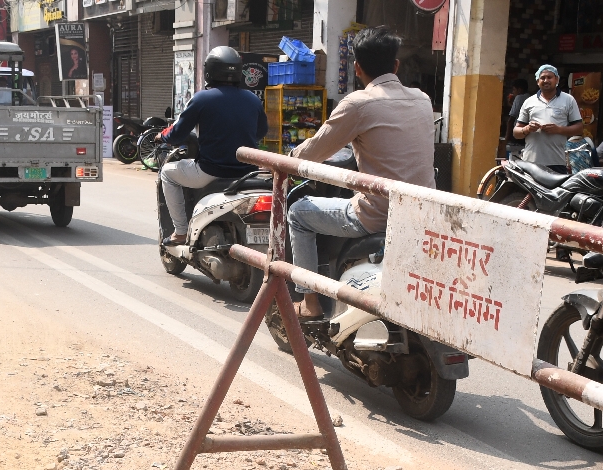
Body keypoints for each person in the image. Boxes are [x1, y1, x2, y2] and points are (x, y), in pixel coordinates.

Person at [287, 26, 434, 320]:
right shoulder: (422, 99)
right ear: (395, 65)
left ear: (356, 67)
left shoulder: (358, 104)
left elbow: (314, 151)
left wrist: (287, 160)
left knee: (298, 213)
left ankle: (310, 303)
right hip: (421, 212)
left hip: (376, 214)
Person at [156, 46, 268, 246]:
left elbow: (177, 134)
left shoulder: (201, 99)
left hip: (210, 171)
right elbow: (260, 132)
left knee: (167, 173)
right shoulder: (253, 100)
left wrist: (162, 136)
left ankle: (181, 232)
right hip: (247, 173)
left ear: (210, 71)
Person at [513, 65, 584, 173]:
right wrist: (527, 129)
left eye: (549, 77)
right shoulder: (529, 101)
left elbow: (579, 128)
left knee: (555, 191)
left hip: (557, 162)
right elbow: (516, 132)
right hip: (531, 162)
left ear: (557, 80)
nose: (546, 80)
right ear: (537, 81)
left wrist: (559, 129)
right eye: (542, 78)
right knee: (530, 190)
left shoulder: (568, 100)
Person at [505, 77, 529, 159]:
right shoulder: (530, 97)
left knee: (513, 159)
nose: (513, 92)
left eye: (514, 90)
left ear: (519, 90)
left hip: (517, 136)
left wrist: (506, 139)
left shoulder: (519, 97)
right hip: (526, 136)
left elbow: (511, 119)